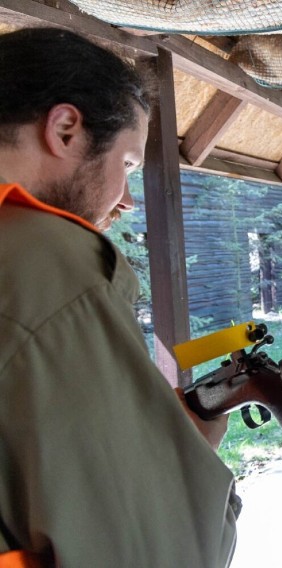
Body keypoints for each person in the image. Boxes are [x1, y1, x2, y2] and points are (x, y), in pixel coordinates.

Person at [0, 28, 237, 567]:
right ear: (65, 130)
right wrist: (184, 452)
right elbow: (152, 547)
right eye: (128, 165)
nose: (128, 199)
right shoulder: (49, 263)